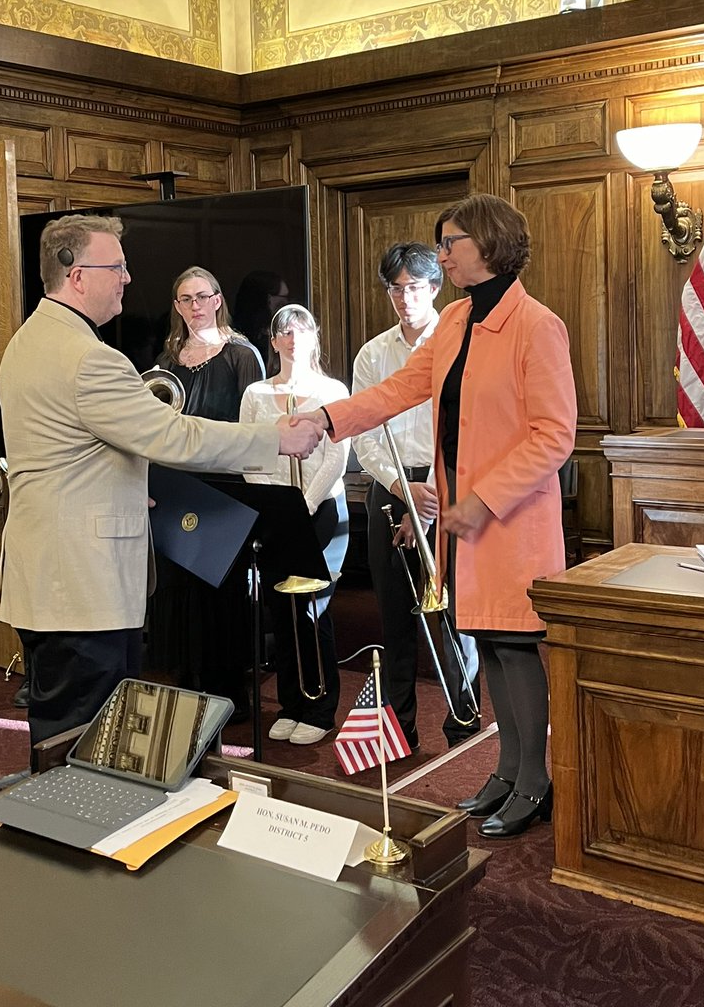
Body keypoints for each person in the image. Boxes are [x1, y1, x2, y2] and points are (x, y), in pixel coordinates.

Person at [301, 194, 577, 838]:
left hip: (509, 521)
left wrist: (480, 500)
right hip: (468, 522)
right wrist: (327, 419)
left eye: (452, 242)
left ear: (490, 244)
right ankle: (508, 772)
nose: (444, 252)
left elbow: (553, 435)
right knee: (489, 643)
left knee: (516, 648)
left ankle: (535, 782)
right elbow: (399, 390)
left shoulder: (538, 325)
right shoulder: (454, 320)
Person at [0, 215, 321, 759]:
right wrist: (274, 439)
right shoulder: (90, 358)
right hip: (83, 583)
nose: (127, 278)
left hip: (49, 573)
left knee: (60, 735)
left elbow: (73, 456)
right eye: (117, 267)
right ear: (76, 274)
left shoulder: (29, 341)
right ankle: (80, 837)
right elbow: (174, 435)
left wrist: (124, 486)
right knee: (86, 745)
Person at [352, 242, 480, 751]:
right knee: (394, 616)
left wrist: (431, 493)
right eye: (395, 289)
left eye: (414, 288)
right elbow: (364, 436)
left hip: (447, 486)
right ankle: (398, 729)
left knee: (452, 616)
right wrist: (403, 493)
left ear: (435, 288)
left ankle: (462, 725)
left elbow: (467, 426)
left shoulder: (458, 342)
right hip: (390, 487)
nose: (404, 298)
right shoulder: (373, 353)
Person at [147, 266, 265, 719]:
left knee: (221, 591)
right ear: (177, 307)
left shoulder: (241, 355)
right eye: (185, 299)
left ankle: (228, 694)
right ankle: (188, 686)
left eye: (202, 297)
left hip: (222, 487)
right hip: (177, 485)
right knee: (179, 591)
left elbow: (251, 426)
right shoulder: (166, 360)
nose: (195, 306)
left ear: (217, 300)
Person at [239, 304, 350, 744]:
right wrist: (276, 501)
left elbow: (337, 459)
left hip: (319, 510)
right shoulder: (255, 394)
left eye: (302, 329)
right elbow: (249, 450)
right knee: (279, 609)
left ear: (314, 338)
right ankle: (291, 702)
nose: (293, 337)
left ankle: (320, 709)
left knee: (313, 610)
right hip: (277, 511)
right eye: (284, 330)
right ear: (274, 341)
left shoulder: (332, 389)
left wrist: (300, 504)